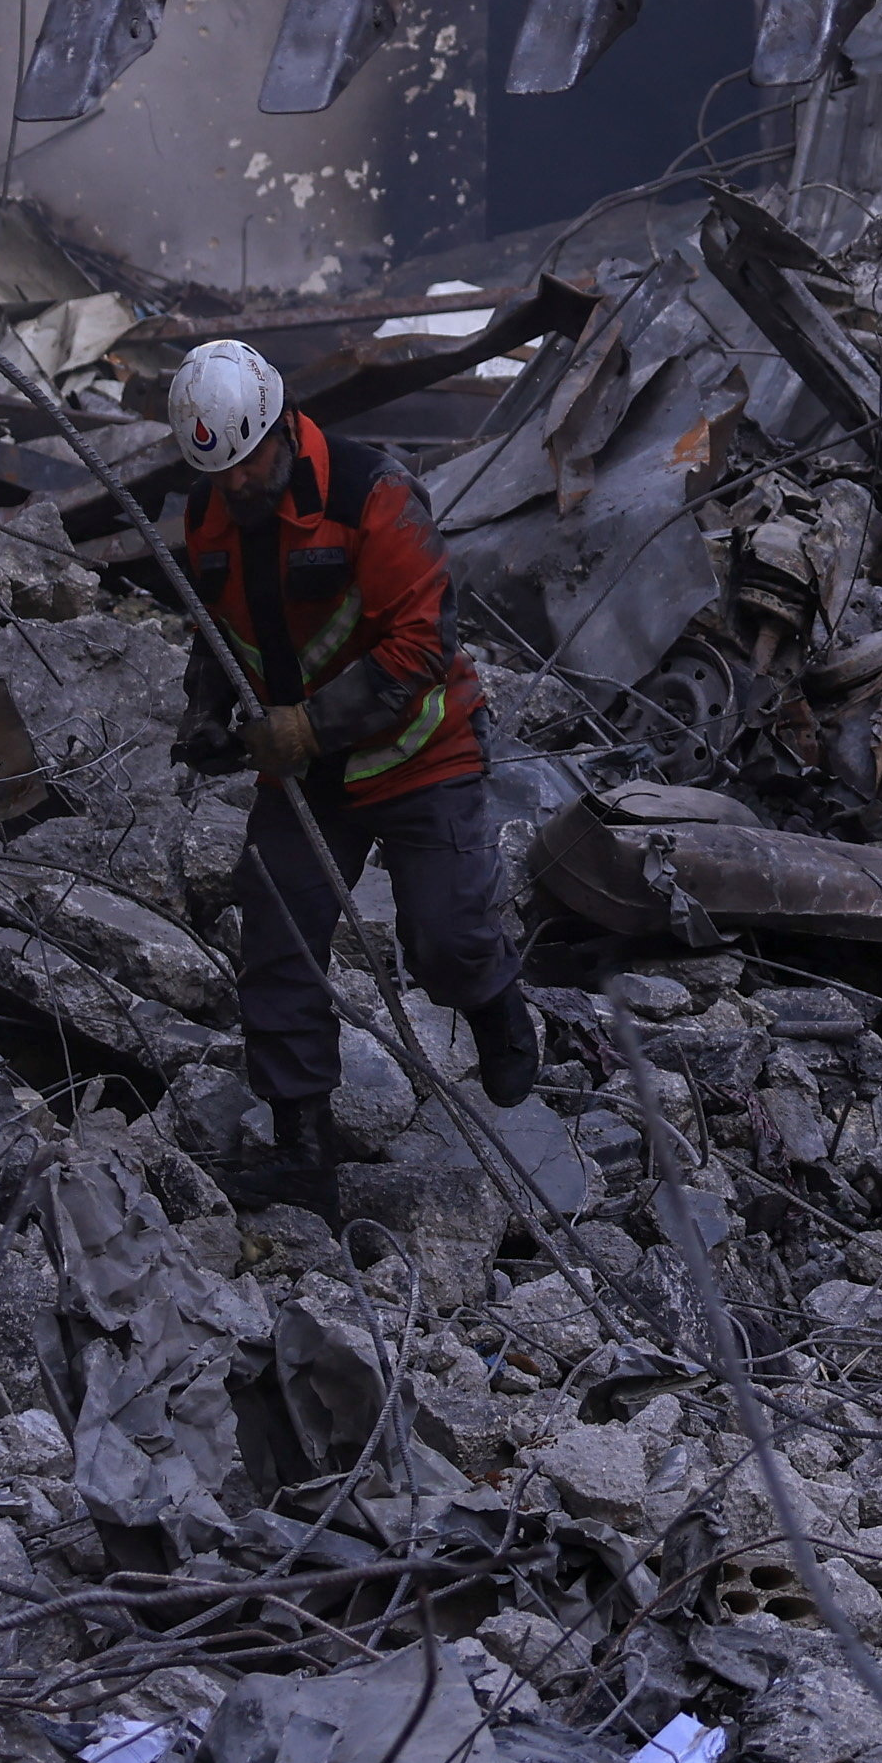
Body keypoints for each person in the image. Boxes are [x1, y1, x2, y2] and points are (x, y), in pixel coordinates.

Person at [160, 336, 537, 1208]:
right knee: (277, 934)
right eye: (222, 474)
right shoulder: (209, 512)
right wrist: (204, 714)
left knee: (443, 936)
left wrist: (307, 725)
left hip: (421, 752)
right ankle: (302, 1148)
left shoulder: (377, 495)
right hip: (308, 777)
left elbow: (421, 646)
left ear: (285, 426)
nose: (241, 486)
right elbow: (216, 631)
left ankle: (491, 1000)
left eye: (251, 464)